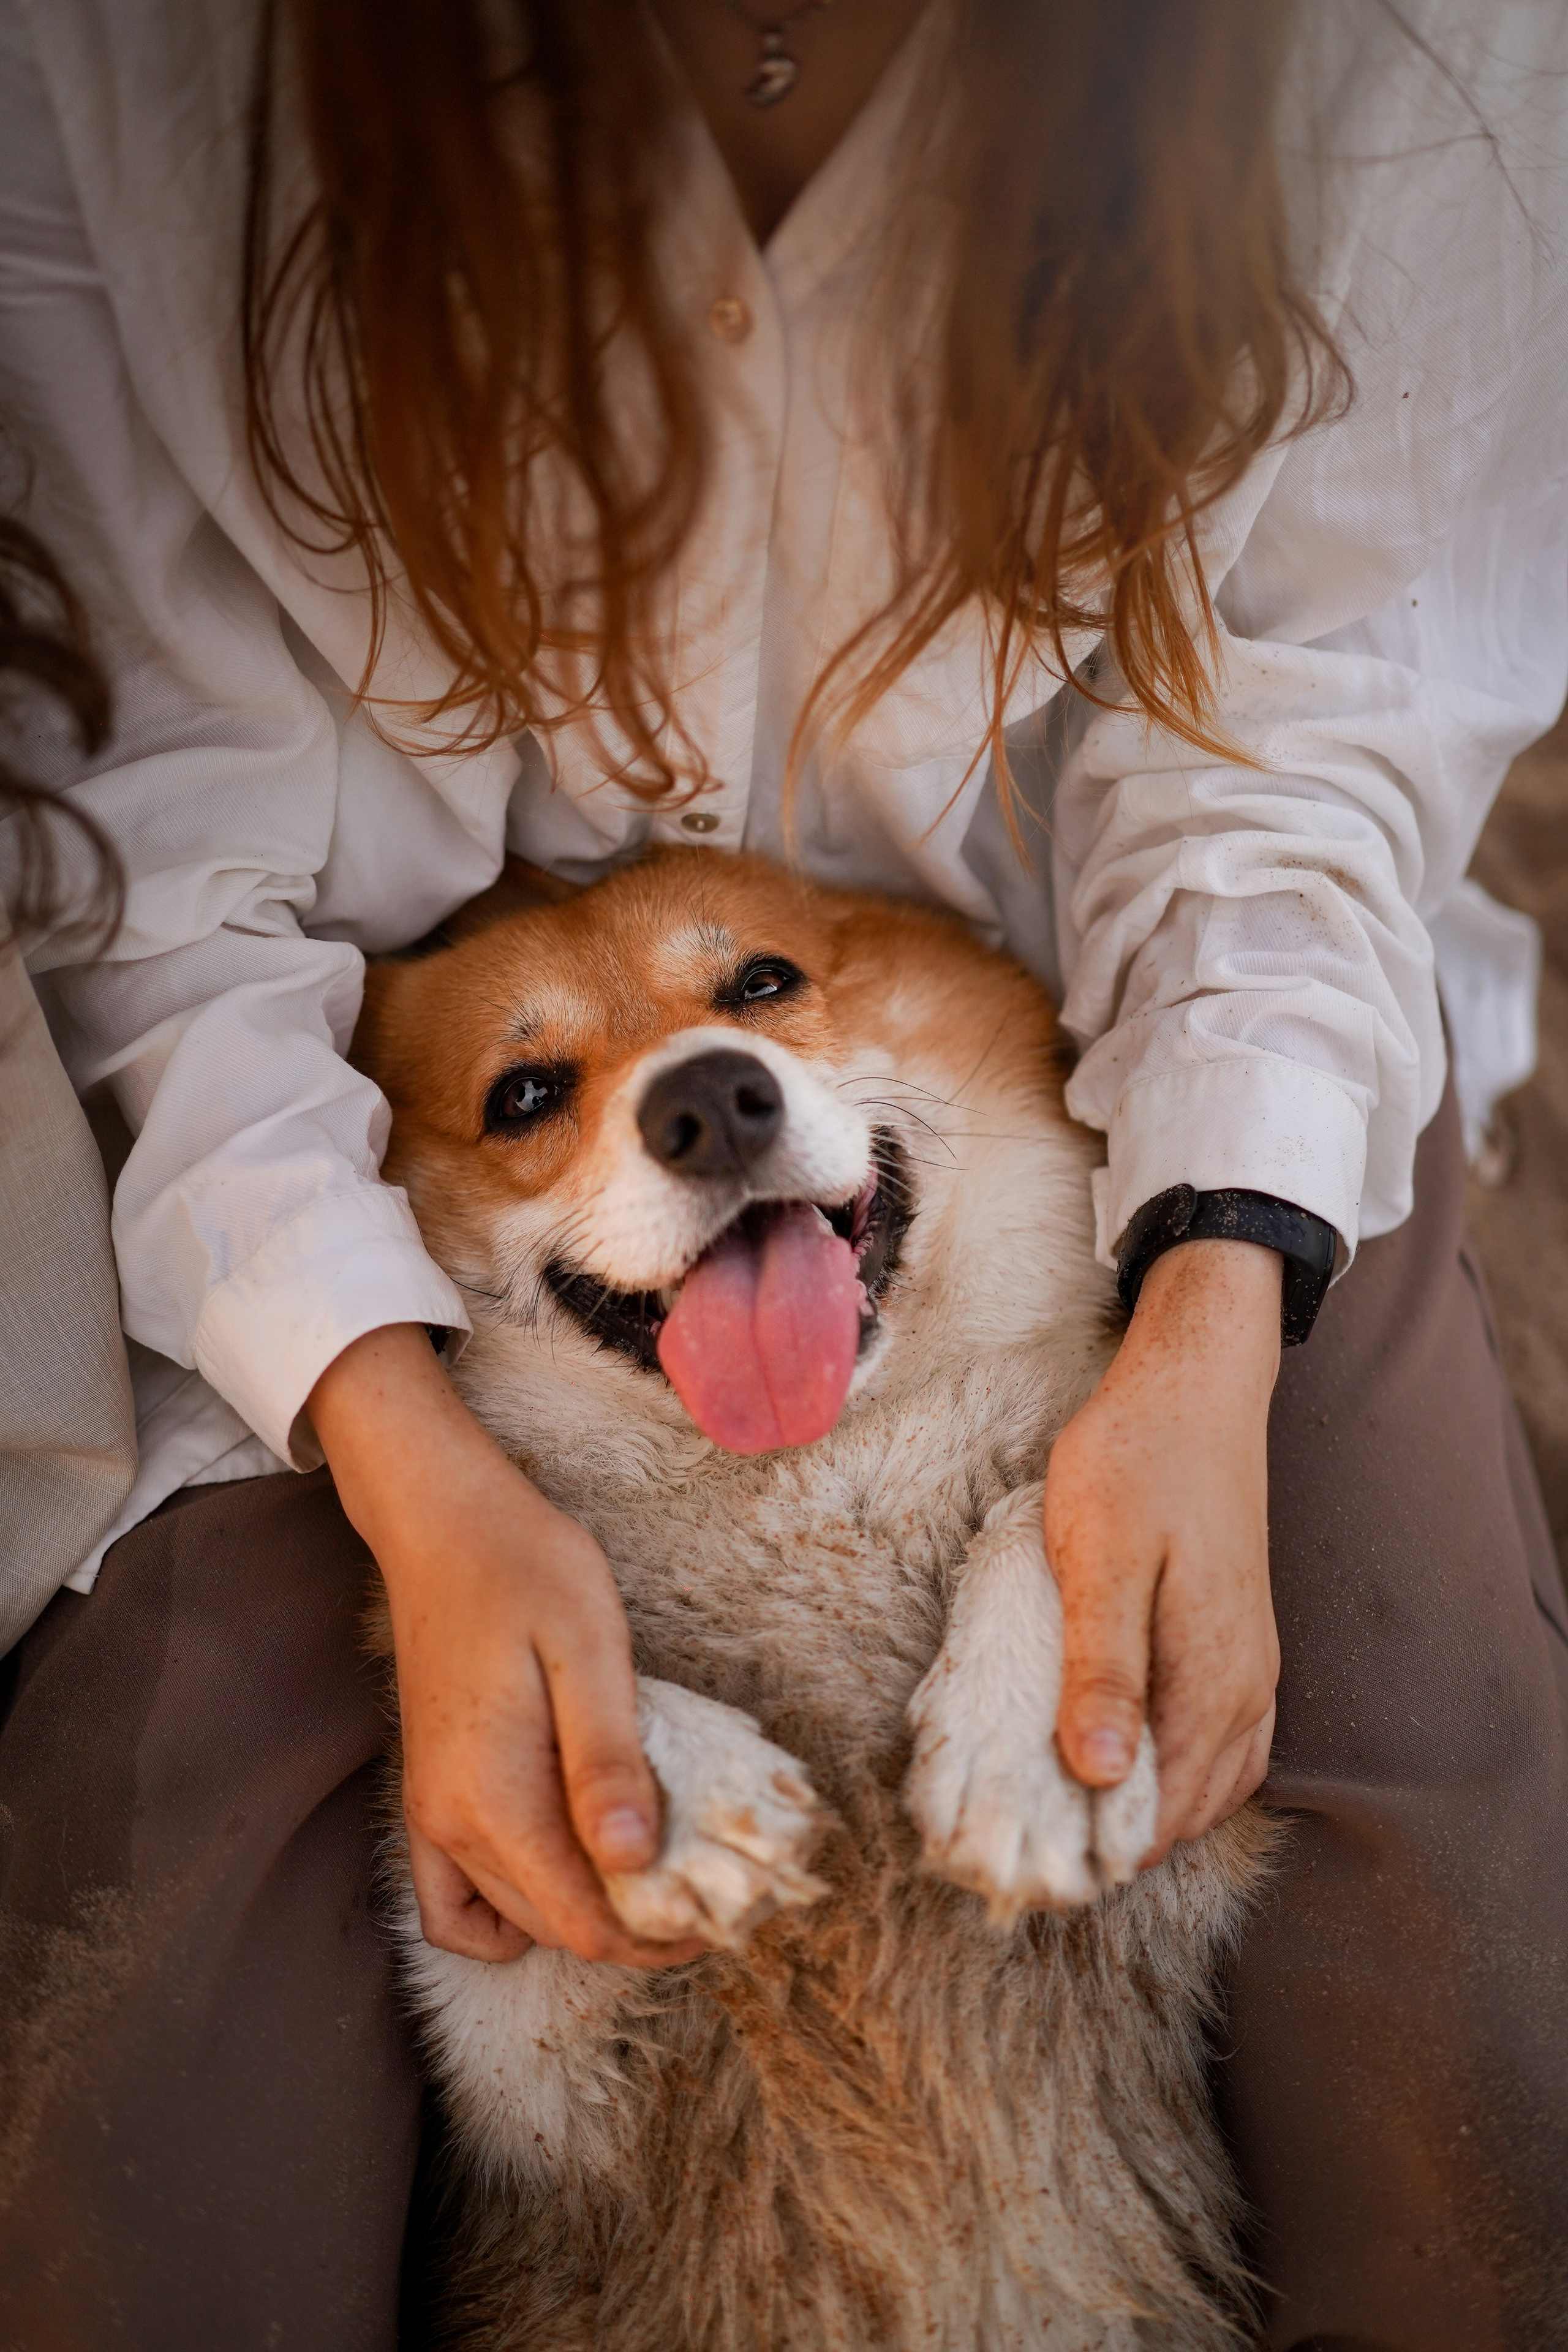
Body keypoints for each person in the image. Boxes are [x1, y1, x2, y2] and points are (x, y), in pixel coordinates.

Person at [1, 1, 1566, 2344]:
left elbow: (1299, 743)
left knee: (1452, 1902)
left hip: (1156, 1007)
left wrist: (1217, 1302)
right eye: (578, 1087)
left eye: (739, 1012)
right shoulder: (124, 59)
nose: (694, 1082)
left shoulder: (1395, 43)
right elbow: (144, 864)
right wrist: (408, 1461)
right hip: (308, 1102)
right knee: (161, 2017)